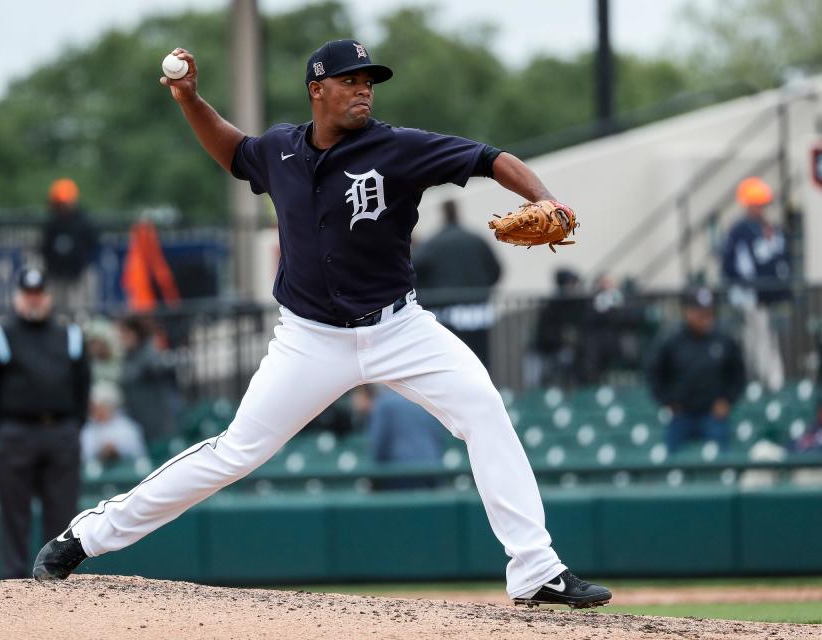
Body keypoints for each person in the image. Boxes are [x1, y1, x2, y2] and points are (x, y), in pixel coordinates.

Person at [34, 39, 611, 609]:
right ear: (318, 90)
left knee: (484, 411)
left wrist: (546, 198)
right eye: (352, 80)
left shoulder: (399, 148)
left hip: (399, 329)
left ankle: (536, 570)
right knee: (235, 452)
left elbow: (490, 158)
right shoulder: (281, 150)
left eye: (370, 81)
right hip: (309, 339)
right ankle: (85, 537)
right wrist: (189, 100)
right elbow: (234, 152)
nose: (365, 89)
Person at [0, 267, 90, 578]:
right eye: (28, 295)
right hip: (16, 432)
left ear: (49, 297)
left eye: (39, 294)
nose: (34, 301)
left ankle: (58, 578)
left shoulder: (70, 335)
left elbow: (83, 385)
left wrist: (74, 425)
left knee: (63, 515)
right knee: (14, 514)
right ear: (18, 297)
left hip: (61, 431)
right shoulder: (0, 334)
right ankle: (13, 583)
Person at [646, 287, 746, 453]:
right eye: (699, 312)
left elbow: (738, 375)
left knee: (723, 462)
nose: (704, 317)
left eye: (708, 312)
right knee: (672, 462)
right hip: (682, 415)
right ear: (687, 312)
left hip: (714, 415)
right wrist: (667, 401)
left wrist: (728, 400)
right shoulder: (671, 341)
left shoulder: (724, 340)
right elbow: (655, 374)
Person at [413, 199, 503, 365]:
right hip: (479, 312)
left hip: (446, 315)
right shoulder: (476, 240)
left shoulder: (433, 243)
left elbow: (413, 270)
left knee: (452, 361)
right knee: (480, 361)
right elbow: (496, 271)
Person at [721, 176, 790, 390]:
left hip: (770, 295)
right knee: (753, 338)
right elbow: (731, 266)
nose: (759, 209)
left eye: (762, 205)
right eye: (755, 205)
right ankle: (758, 381)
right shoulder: (739, 230)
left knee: (770, 337)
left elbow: (781, 260)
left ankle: (772, 381)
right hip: (748, 296)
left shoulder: (771, 229)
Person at [354, 385, 446, 490]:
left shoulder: (384, 403)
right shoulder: (424, 399)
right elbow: (438, 437)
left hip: (400, 475)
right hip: (431, 469)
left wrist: (372, 478)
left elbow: (378, 447)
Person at [116, 316, 181, 445]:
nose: (122, 338)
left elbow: (160, 365)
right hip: (139, 418)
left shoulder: (147, 352)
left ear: (135, 333)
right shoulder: (128, 356)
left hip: (158, 419)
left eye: (125, 334)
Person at [41, 178, 99, 316]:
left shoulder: (83, 221)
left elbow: (93, 244)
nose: (63, 207)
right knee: (58, 311)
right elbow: (45, 248)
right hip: (57, 275)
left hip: (78, 273)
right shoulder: (52, 223)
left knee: (81, 311)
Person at [81, 381, 147, 465]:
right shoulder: (88, 429)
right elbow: (83, 456)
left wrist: (117, 450)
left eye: (99, 407)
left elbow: (140, 457)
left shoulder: (128, 427)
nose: (95, 411)